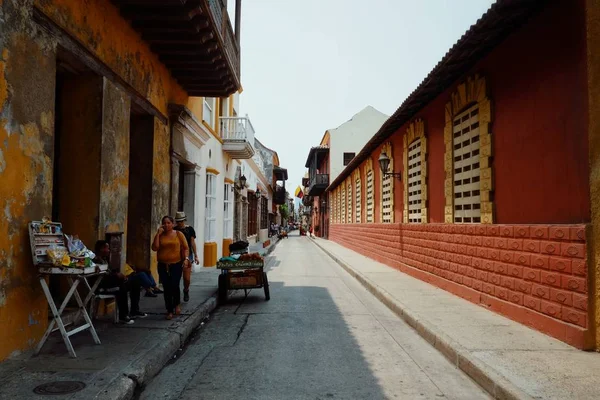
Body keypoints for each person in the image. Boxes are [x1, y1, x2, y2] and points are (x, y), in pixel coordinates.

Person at [93, 240, 146, 324]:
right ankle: (123, 315)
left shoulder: (104, 259)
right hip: (102, 286)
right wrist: (116, 276)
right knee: (121, 287)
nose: (109, 250)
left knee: (135, 282)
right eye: (107, 248)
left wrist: (119, 275)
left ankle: (134, 311)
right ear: (101, 249)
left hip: (111, 282)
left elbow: (110, 272)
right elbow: (101, 277)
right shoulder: (95, 261)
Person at [152, 215, 190, 320]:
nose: (166, 225)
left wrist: (186, 259)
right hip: (163, 265)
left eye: (169, 223)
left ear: (173, 224)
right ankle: (169, 310)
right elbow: (155, 248)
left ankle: (176, 304)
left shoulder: (178, 234)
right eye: (164, 223)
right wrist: (158, 234)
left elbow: (186, 248)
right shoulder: (160, 235)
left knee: (174, 284)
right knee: (166, 287)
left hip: (176, 264)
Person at [174, 211, 198, 302]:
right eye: (178, 221)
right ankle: (176, 297)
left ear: (184, 220)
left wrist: (196, 255)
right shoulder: (174, 230)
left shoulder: (190, 229)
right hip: (176, 254)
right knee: (176, 276)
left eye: (181, 221)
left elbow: (192, 243)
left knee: (187, 278)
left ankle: (186, 290)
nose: (179, 223)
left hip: (188, 255)